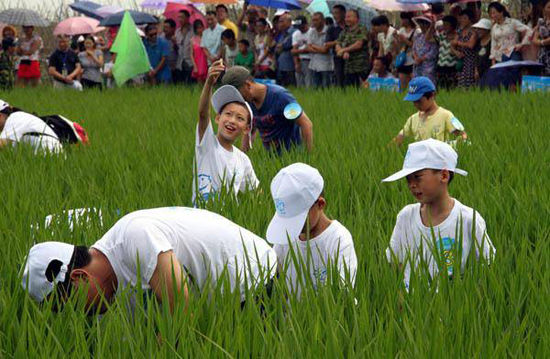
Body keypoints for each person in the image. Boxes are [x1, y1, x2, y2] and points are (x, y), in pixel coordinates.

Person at [21, 207, 277, 313]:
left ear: (79, 277)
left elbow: (182, 309)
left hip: (255, 280)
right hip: (217, 299)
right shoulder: (111, 279)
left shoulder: (135, 236)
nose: (81, 315)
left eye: (72, 306)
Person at [383, 139, 496, 290]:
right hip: (413, 305)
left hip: (453, 305)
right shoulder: (406, 216)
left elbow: (486, 267)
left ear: (443, 175)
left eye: (418, 176)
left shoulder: (468, 219)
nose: (412, 184)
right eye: (408, 179)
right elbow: (396, 263)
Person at [267, 163, 357, 296]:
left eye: (298, 219)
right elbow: (271, 275)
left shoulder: (338, 240)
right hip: (292, 315)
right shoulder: (285, 238)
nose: (292, 228)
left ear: (320, 204)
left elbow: (343, 293)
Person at [193, 60, 259, 204]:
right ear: (217, 118)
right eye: (228, 114)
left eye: (240, 118)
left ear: (246, 129)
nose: (232, 120)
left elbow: (256, 193)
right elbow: (203, 114)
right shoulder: (207, 144)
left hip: (227, 222)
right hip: (200, 220)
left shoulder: (242, 160)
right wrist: (209, 82)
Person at [222, 66, 313, 153]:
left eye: (238, 93)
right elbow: (250, 132)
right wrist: (241, 158)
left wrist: (308, 156)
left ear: (247, 85)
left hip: (293, 155)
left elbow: (305, 123)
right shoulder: (249, 103)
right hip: (272, 158)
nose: (238, 99)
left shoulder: (281, 97)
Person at [393, 77, 467, 147]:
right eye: (413, 101)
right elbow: (399, 138)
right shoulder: (412, 119)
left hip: (440, 158)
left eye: (419, 101)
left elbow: (463, 135)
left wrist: (449, 146)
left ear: (432, 95)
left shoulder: (446, 115)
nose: (415, 105)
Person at [336, 10, 370, 86]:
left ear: (356, 18)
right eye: (345, 17)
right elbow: (338, 44)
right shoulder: (345, 31)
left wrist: (344, 50)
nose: (346, 19)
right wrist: (342, 51)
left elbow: (358, 44)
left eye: (349, 17)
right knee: (350, 91)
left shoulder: (362, 29)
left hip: (360, 67)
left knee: (362, 90)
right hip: (348, 67)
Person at [453, 9, 478, 88]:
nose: (462, 20)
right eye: (461, 18)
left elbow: (471, 45)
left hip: (471, 61)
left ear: (470, 19)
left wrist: (457, 43)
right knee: (461, 83)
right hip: (461, 61)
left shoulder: (474, 31)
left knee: (470, 84)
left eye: (464, 18)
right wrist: (456, 52)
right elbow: (452, 45)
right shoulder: (459, 32)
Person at [307, 12, 333, 88]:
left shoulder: (328, 31)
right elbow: (308, 47)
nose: (314, 22)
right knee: (315, 89)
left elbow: (325, 50)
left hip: (325, 66)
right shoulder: (311, 31)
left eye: (317, 20)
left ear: (323, 20)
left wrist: (313, 46)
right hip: (313, 65)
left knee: (326, 89)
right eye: (313, 20)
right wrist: (319, 49)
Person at [395, 12, 420, 90]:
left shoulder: (417, 31)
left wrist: (405, 40)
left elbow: (416, 46)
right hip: (403, 59)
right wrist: (396, 39)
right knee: (402, 85)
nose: (402, 21)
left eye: (403, 19)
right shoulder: (401, 30)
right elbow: (399, 47)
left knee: (414, 84)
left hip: (412, 60)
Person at [412, 15, 438, 84]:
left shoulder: (434, 36)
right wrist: (416, 57)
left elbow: (433, 52)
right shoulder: (418, 36)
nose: (421, 26)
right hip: (417, 66)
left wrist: (421, 59)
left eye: (423, 23)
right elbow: (414, 48)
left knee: (427, 84)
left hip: (428, 66)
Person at [435, 15, 458, 90]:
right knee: (441, 91)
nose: (444, 27)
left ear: (453, 25)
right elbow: (428, 38)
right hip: (440, 67)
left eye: (447, 25)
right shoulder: (441, 35)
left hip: (452, 68)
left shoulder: (458, 36)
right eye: (443, 25)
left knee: (452, 90)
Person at [325, 5, 347, 87]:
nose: (334, 16)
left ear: (344, 13)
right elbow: (327, 44)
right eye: (333, 13)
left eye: (337, 13)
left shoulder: (350, 27)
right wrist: (339, 41)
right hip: (338, 58)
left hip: (351, 57)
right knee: (339, 80)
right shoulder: (331, 28)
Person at [274, 13, 296, 87]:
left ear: (289, 22)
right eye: (279, 22)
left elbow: (285, 45)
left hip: (290, 65)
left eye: (282, 21)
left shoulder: (293, 32)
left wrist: (281, 46)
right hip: (281, 65)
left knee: (291, 87)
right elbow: (277, 47)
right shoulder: (283, 34)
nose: (279, 24)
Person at [292, 15, 312, 87]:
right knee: (300, 84)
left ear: (306, 24)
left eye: (302, 27)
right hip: (300, 60)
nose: (300, 29)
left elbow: (309, 49)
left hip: (310, 60)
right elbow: (293, 51)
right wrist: (296, 64)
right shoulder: (295, 34)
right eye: (298, 27)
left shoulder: (311, 32)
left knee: (308, 83)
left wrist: (298, 50)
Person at [174, 10, 194, 84]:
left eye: (182, 17)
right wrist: (174, 44)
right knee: (181, 85)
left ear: (187, 18)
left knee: (191, 84)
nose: (180, 19)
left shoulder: (193, 30)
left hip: (190, 62)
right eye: (178, 17)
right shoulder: (177, 31)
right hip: (179, 62)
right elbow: (176, 48)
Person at [533, 1, 550, 76]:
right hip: (543, 55)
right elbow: (534, 40)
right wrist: (544, 42)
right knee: (544, 79)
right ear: (543, 9)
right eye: (549, 7)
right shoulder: (541, 22)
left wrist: (540, 42)